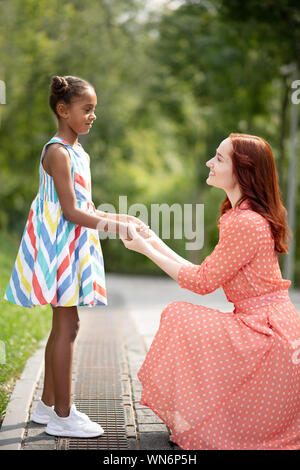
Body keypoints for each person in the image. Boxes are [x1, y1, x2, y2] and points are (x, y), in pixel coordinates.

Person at [121, 133, 300, 450]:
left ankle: (202, 423)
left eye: (219, 158)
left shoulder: (245, 221)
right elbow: (203, 272)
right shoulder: (243, 216)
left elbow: (201, 283)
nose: (209, 162)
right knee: (182, 316)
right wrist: (150, 242)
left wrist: (146, 250)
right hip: (270, 327)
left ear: (242, 170)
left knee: (179, 315)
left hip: (266, 332)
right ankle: (204, 421)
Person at [3, 75, 149, 438]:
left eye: (94, 110)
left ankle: (45, 408)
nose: (92, 116)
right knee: (67, 327)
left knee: (66, 326)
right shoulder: (57, 152)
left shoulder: (78, 151)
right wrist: (115, 229)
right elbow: (70, 211)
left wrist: (122, 218)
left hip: (70, 243)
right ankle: (63, 416)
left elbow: (84, 205)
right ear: (63, 110)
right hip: (59, 247)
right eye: (87, 109)